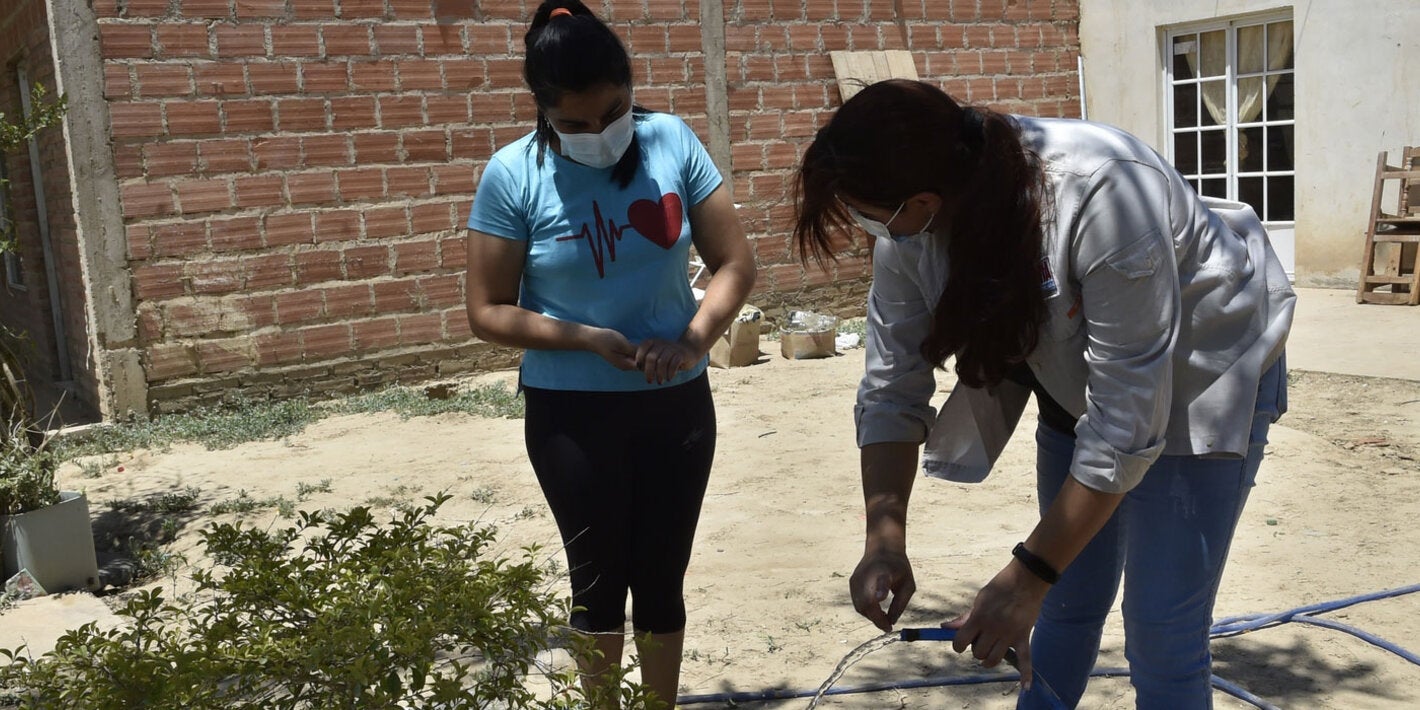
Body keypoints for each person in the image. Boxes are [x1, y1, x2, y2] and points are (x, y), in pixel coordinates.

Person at [791, 79, 1294, 709]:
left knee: (1162, 632)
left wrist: (1028, 574)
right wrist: (884, 537)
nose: (868, 228)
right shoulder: (913, 233)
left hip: (1202, 374)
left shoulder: (1104, 193)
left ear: (922, 200)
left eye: (866, 212)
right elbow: (893, 386)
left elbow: (1125, 423)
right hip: (1078, 385)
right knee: (1065, 602)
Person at [463, 2, 755, 707]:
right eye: (575, 124)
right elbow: (487, 309)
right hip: (572, 414)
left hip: (676, 405)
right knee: (596, 585)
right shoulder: (512, 175)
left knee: (660, 581)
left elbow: (736, 263)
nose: (599, 133)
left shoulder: (672, 141)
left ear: (630, 87)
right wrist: (586, 338)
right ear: (543, 109)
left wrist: (692, 341)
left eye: (614, 112)